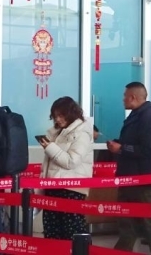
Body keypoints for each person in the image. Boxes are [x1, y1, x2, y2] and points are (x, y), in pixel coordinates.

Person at [109, 83, 151, 254]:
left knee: (149, 222)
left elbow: (149, 149)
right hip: (130, 178)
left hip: (143, 180)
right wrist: (119, 144)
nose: (123, 99)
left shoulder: (148, 118)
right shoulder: (136, 116)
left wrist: (122, 148)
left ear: (133, 97)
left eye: (125, 96)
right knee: (126, 221)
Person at [40, 96, 93, 240]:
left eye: (61, 115)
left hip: (72, 188)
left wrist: (50, 147)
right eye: (55, 115)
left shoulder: (82, 133)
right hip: (53, 186)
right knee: (52, 230)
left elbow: (71, 162)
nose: (57, 119)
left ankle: (79, 250)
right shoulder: (57, 132)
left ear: (71, 113)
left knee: (72, 231)